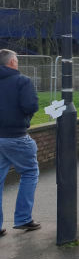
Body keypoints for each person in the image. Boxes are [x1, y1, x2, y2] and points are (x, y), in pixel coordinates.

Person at [0, 49, 41, 234]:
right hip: (16, 136)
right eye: (16, 60)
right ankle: (23, 218)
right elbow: (30, 105)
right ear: (12, 63)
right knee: (30, 172)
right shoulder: (22, 81)